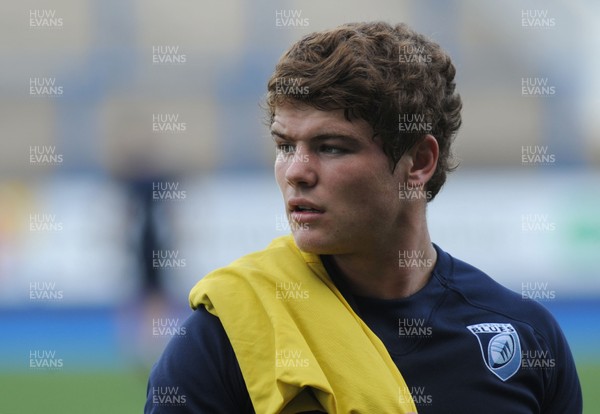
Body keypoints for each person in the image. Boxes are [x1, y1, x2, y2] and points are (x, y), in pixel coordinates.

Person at [145, 21, 582, 413]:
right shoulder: (227, 335)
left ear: (419, 162)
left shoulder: (525, 338)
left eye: (331, 146)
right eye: (284, 146)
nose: (296, 171)